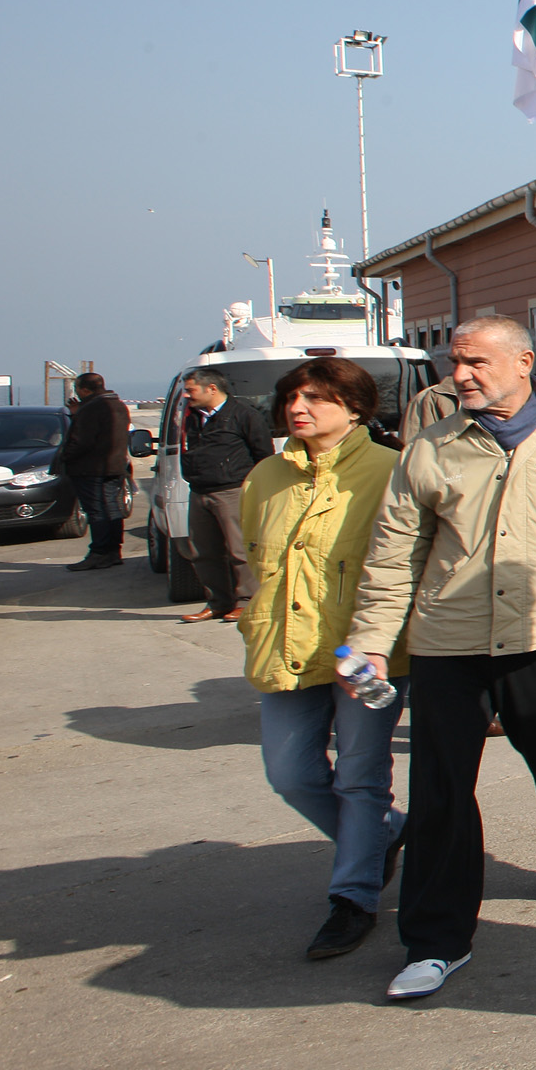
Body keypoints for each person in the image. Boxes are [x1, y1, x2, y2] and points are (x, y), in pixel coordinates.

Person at [347, 316, 536, 1003]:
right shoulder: (431, 447)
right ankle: (435, 941)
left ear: (524, 362)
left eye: (477, 362)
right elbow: (395, 551)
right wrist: (372, 642)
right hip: (450, 638)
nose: (462, 375)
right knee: (439, 790)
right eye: (456, 362)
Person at [235, 356, 409, 960]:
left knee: (362, 777)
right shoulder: (266, 476)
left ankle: (353, 898)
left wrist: (375, 639)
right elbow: (258, 558)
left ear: (354, 408)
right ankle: (387, 834)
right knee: (290, 773)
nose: (297, 408)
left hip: (364, 653)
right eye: (291, 398)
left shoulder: (391, 470)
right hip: (286, 645)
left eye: (315, 398)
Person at [175, 368, 270, 624]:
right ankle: (217, 603)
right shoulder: (193, 417)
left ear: (212, 389)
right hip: (200, 491)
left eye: (191, 390)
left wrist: (257, 489)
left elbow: (263, 454)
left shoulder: (243, 415)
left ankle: (247, 601)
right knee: (203, 551)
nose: (186, 395)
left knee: (240, 550)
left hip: (232, 491)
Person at [56, 372, 133, 569]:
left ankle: (100, 552)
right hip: (114, 466)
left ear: (84, 390)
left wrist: (64, 457)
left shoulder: (92, 408)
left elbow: (83, 440)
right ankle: (113, 551)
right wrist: (78, 412)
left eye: (77, 389)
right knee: (112, 508)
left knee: (97, 511)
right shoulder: (117, 405)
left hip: (91, 468)